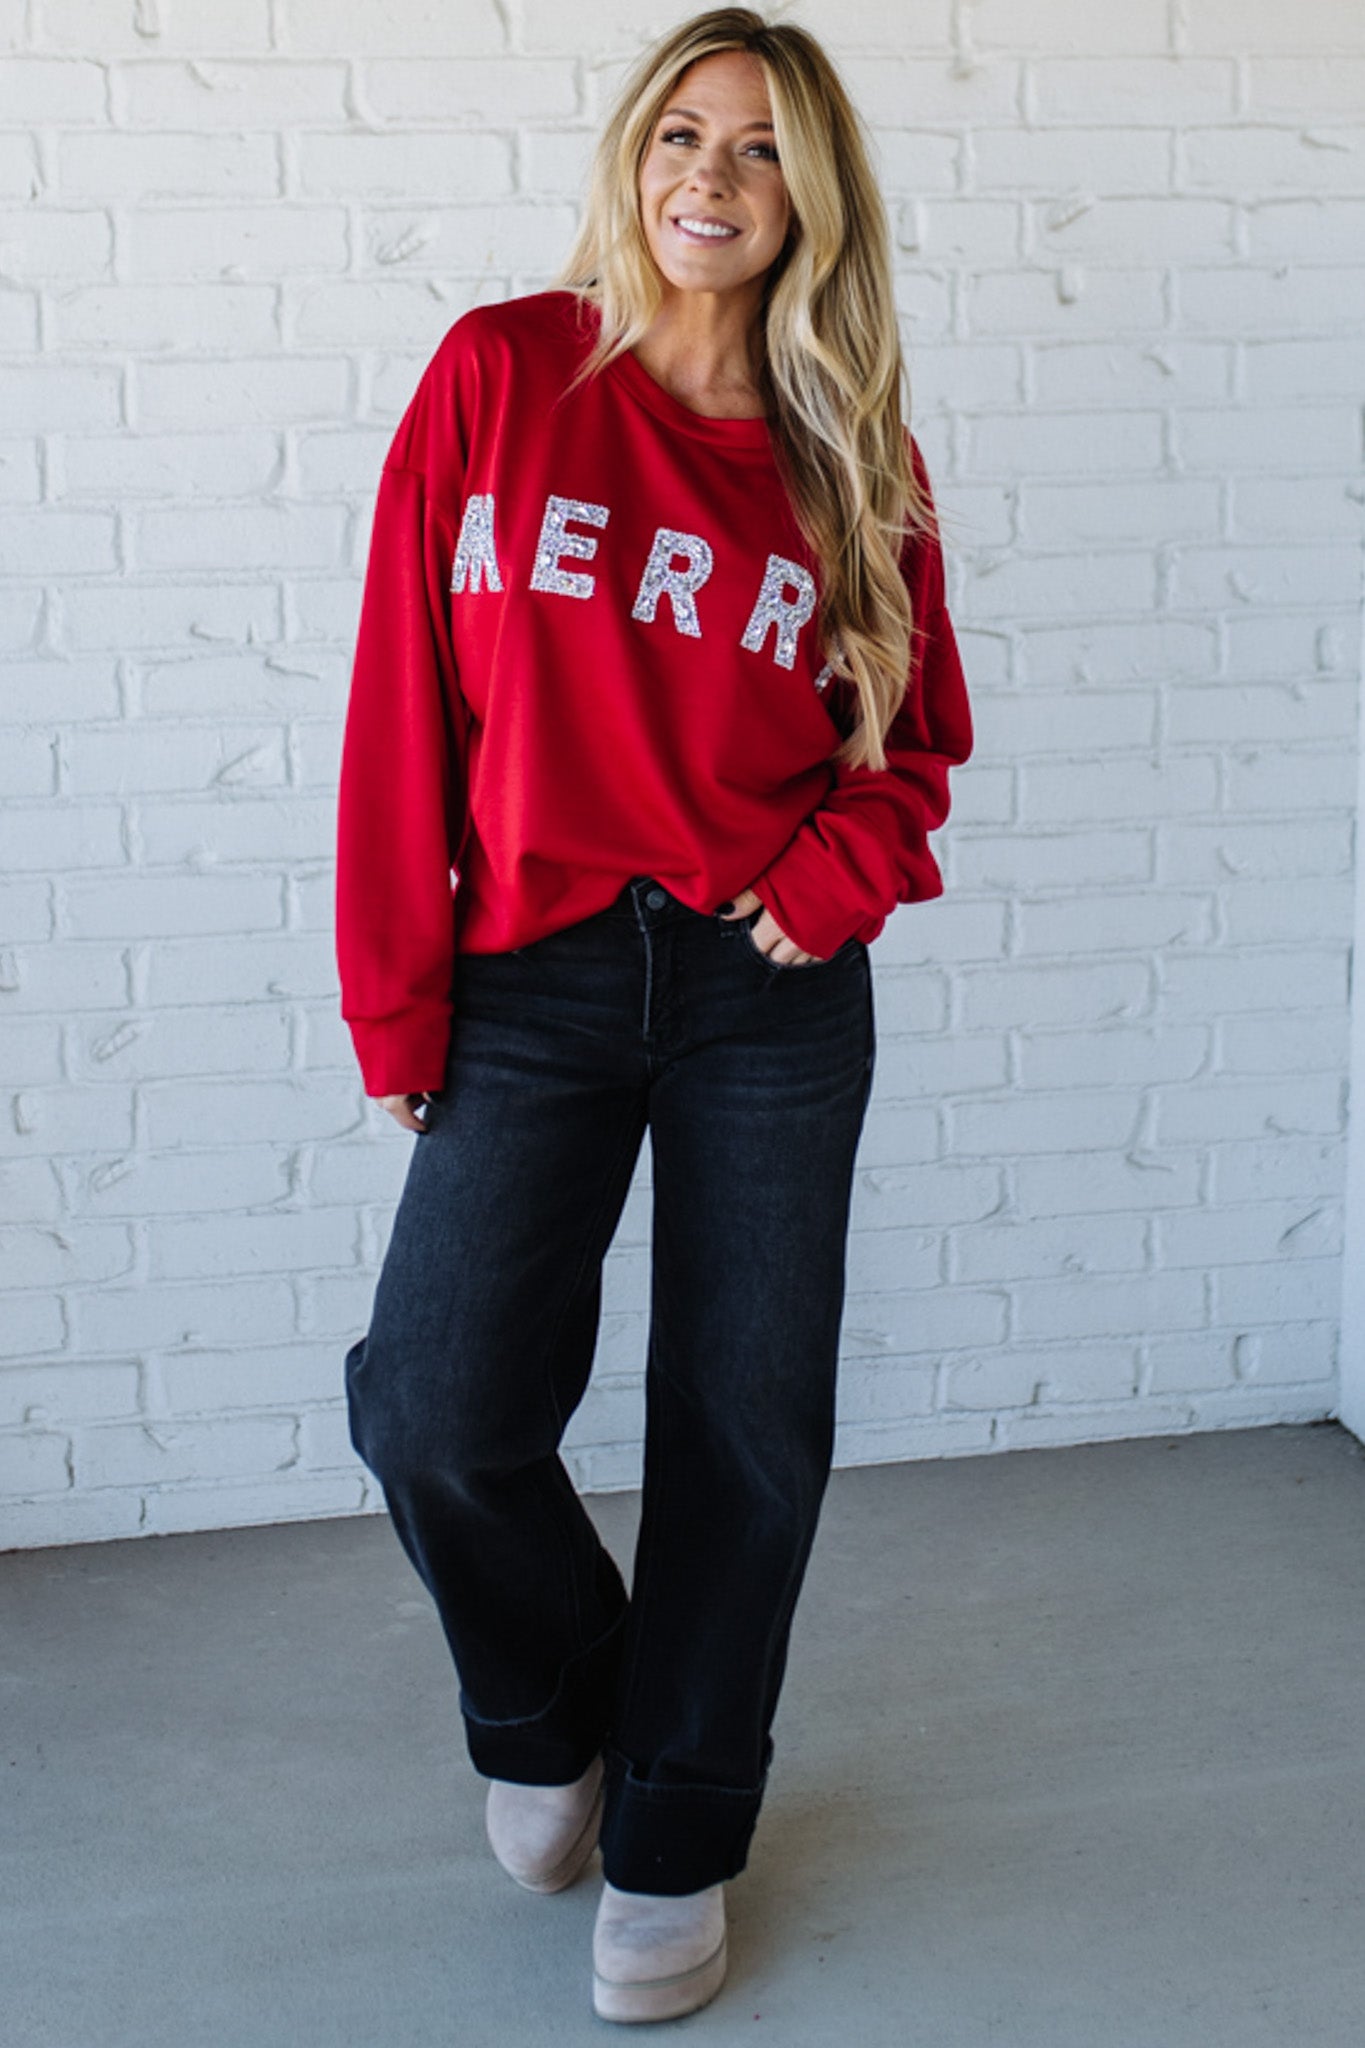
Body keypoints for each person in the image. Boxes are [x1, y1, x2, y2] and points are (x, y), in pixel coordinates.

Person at [336, 5, 972, 2025]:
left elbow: (912, 744)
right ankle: (547, 1711)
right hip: (522, 971)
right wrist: (399, 993)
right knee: (431, 1405)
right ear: (631, 156)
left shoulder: (846, 445)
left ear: (814, 199)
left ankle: (679, 1828)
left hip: (758, 993)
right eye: (680, 133)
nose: (708, 178)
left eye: (762, 150)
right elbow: (394, 714)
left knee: (741, 1430)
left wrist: (824, 879)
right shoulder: (500, 375)